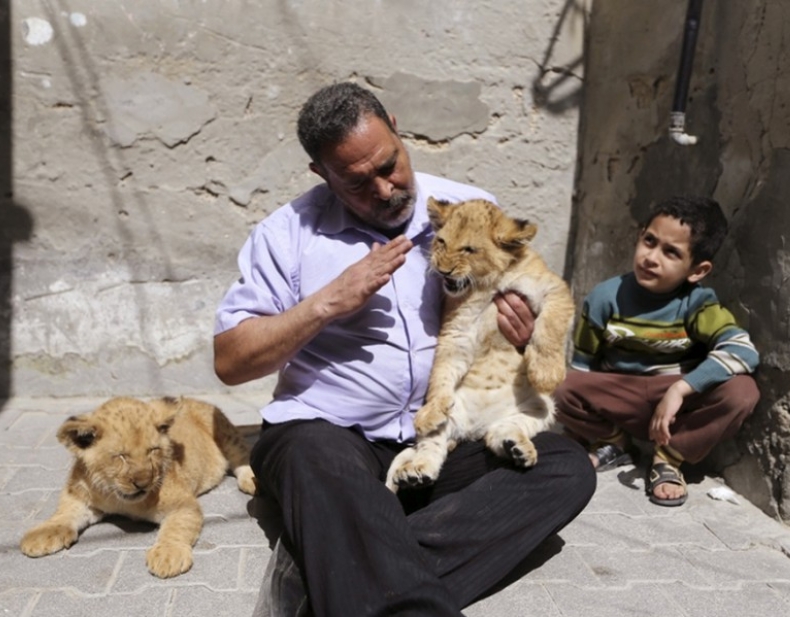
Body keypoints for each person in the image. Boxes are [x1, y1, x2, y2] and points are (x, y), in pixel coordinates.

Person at [213, 82, 595, 616]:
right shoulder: (287, 234)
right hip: (330, 436)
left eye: (390, 163)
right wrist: (324, 304)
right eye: (358, 181)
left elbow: (530, 292)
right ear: (322, 174)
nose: (387, 188)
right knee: (313, 459)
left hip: (440, 435)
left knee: (566, 468)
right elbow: (230, 361)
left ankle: (327, 565)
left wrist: (525, 327)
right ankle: (387, 588)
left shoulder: (462, 210)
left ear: (396, 127)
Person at [554, 196, 760, 507]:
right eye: (649, 241)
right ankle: (615, 443)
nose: (651, 257)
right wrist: (577, 430)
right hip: (621, 395)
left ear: (697, 270)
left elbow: (743, 351)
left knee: (742, 392)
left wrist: (681, 388)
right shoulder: (604, 298)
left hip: (675, 402)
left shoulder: (697, 303)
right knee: (555, 382)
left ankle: (669, 458)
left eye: (671, 252)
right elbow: (584, 366)